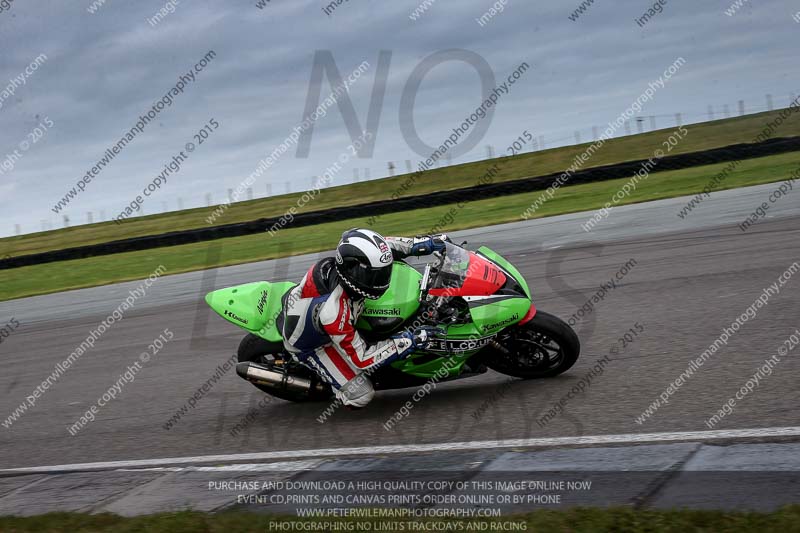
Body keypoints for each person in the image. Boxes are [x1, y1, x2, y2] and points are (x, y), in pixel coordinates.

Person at [278, 228, 448, 408]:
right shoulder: (335, 312)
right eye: (374, 275)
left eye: (383, 272)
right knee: (362, 395)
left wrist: (426, 243)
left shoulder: (354, 263)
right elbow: (362, 359)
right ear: (352, 272)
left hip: (309, 306)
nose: (382, 279)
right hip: (313, 345)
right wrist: (410, 340)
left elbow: (386, 247)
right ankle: (337, 389)